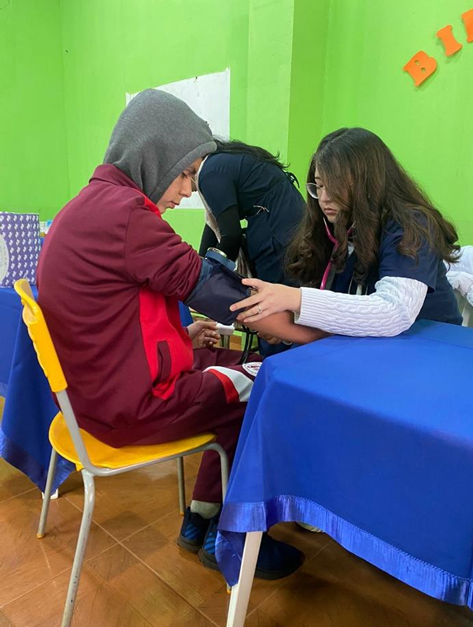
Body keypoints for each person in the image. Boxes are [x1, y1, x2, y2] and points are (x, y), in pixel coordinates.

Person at [36, 89, 321, 579]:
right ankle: (234, 538)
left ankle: (200, 522)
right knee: (264, 380)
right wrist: (319, 335)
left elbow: (104, 321)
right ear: (154, 156)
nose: (190, 190)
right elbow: (227, 298)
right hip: (127, 411)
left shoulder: (79, 209)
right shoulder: (129, 217)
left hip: (88, 403)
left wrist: (182, 340)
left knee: (230, 370)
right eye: (187, 172)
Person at [231, 127, 462, 334]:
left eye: (335, 186)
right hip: (373, 351)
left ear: (369, 182)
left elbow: (394, 312)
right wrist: (288, 322)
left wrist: (296, 300)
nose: (323, 198)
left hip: (432, 352)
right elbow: (342, 308)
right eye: (319, 186)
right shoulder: (339, 229)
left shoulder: (411, 225)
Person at [197, 139, 306, 355]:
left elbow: (231, 236)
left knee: (268, 314)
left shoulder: (208, 173)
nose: (181, 192)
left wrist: (203, 284)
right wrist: (199, 264)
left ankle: (271, 373)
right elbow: (216, 224)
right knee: (287, 314)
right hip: (293, 230)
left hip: (277, 239)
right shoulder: (224, 161)